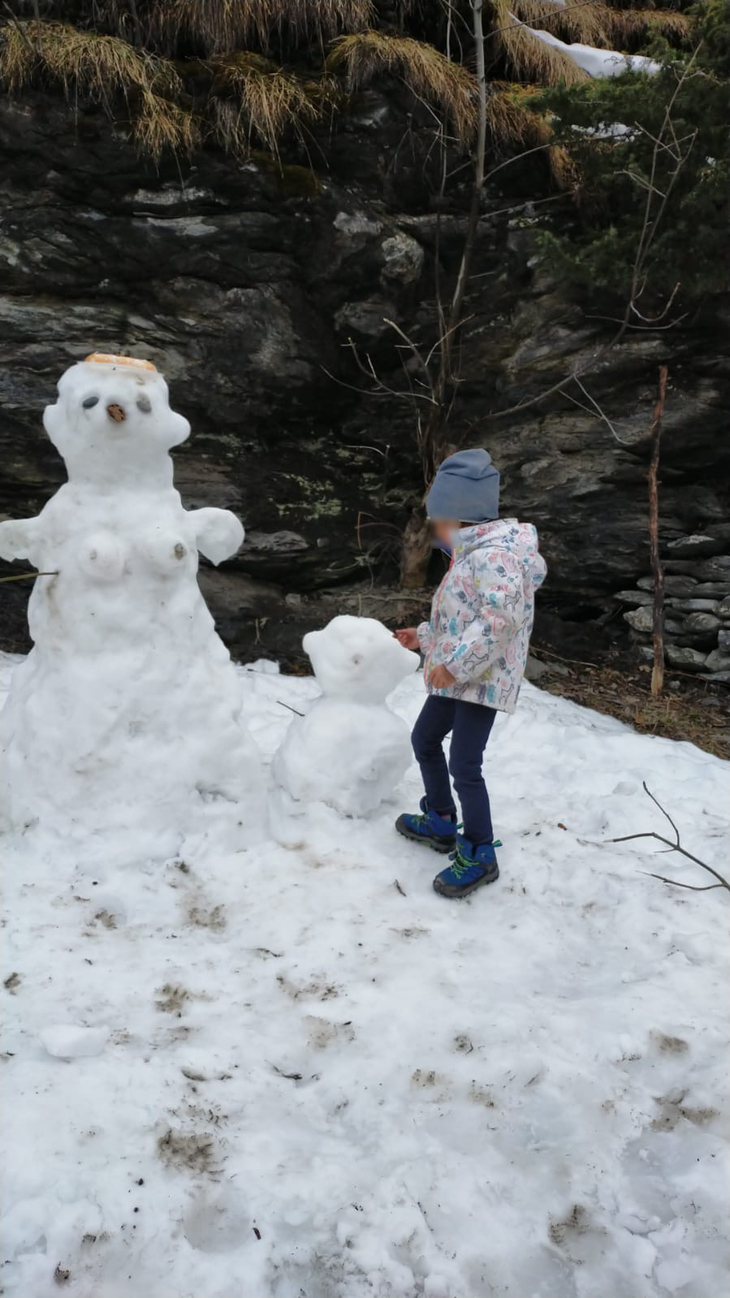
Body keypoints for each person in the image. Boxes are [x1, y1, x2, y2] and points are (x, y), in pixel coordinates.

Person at [395, 449, 546, 899]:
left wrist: (452, 666)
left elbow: (499, 622)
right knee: (424, 739)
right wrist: (424, 638)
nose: (434, 532)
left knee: (465, 764)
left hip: (481, 682)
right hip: (457, 674)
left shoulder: (495, 558)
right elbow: (461, 621)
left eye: (438, 523)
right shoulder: (472, 554)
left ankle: (481, 851)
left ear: (460, 518)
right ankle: (441, 819)